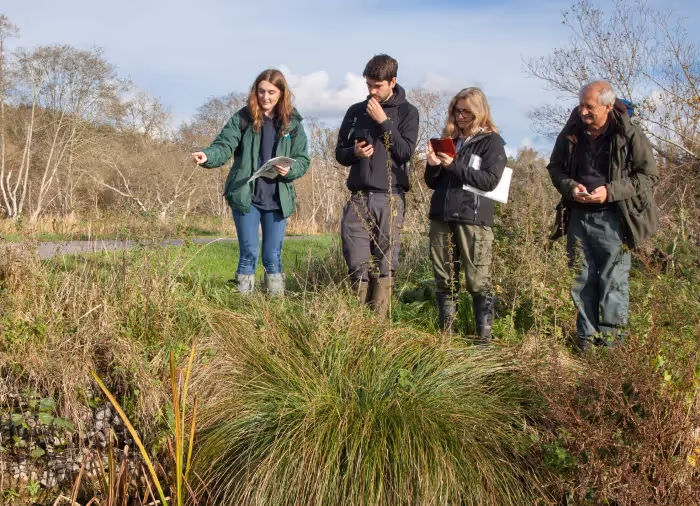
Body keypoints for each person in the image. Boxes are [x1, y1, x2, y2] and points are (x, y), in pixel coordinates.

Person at [547, 80, 658, 351]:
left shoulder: (629, 134)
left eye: (590, 106)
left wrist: (609, 192)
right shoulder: (571, 132)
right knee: (581, 279)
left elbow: (648, 176)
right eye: (581, 105)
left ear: (608, 106)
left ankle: (611, 350)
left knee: (613, 281)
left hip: (614, 217)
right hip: (577, 217)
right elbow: (555, 168)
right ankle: (586, 345)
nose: (583, 111)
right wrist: (571, 188)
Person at [192, 69, 310, 296]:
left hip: (278, 199)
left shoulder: (293, 123)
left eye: (271, 92)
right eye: (261, 91)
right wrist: (208, 156)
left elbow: (303, 159)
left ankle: (275, 307)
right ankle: (241, 306)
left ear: (282, 93)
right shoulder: (243, 118)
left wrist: (290, 169)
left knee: (272, 256)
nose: (265, 97)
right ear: (255, 92)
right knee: (248, 252)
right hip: (247, 197)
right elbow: (224, 145)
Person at [335, 54, 419, 318]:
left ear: (393, 81)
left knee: (385, 263)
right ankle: (357, 325)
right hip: (358, 197)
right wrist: (354, 153)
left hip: (390, 198)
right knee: (357, 262)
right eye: (368, 85)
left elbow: (405, 152)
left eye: (377, 86)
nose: (371, 91)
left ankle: (378, 328)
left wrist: (383, 121)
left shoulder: (408, 112)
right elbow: (339, 153)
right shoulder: (355, 111)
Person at [424, 87, 507, 343]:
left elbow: (490, 181)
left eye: (466, 113)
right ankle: (447, 336)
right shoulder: (449, 139)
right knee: (444, 279)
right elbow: (431, 182)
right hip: (442, 215)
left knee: (477, 280)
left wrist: (454, 165)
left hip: (473, 218)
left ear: (479, 113)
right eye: (456, 111)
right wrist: (433, 166)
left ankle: (483, 340)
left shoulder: (492, 142)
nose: (460, 117)